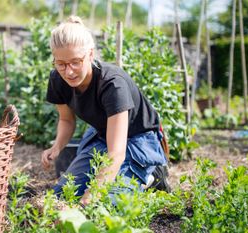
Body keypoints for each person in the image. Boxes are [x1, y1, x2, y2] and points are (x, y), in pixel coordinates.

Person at [41, 15, 170, 206]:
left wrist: (93, 195)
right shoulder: (57, 80)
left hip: (138, 140)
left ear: (90, 55)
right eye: (61, 64)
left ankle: (152, 174)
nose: (68, 71)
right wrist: (57, 146)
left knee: (108, 203)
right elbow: (67, 120)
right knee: (62, 196)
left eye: (76, 62)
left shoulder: (112, 84)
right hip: (102, 134)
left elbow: (116, 153)